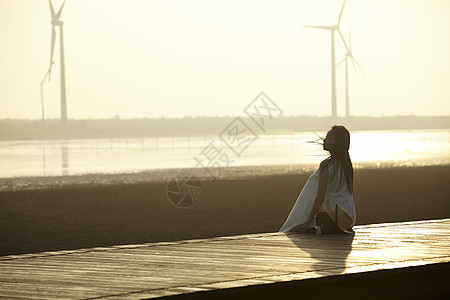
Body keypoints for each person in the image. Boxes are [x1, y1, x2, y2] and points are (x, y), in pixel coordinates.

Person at [279, 125, 356, 234]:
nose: (325, 140)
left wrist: (307, 221)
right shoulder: (347, 165)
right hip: (348, 218)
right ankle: (324, 228)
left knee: (295, 230)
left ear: (338, 144)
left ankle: (320, 228)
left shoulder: (326, 165)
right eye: (326, 137)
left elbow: (320, 196)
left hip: (334, 217)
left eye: (329, 138)